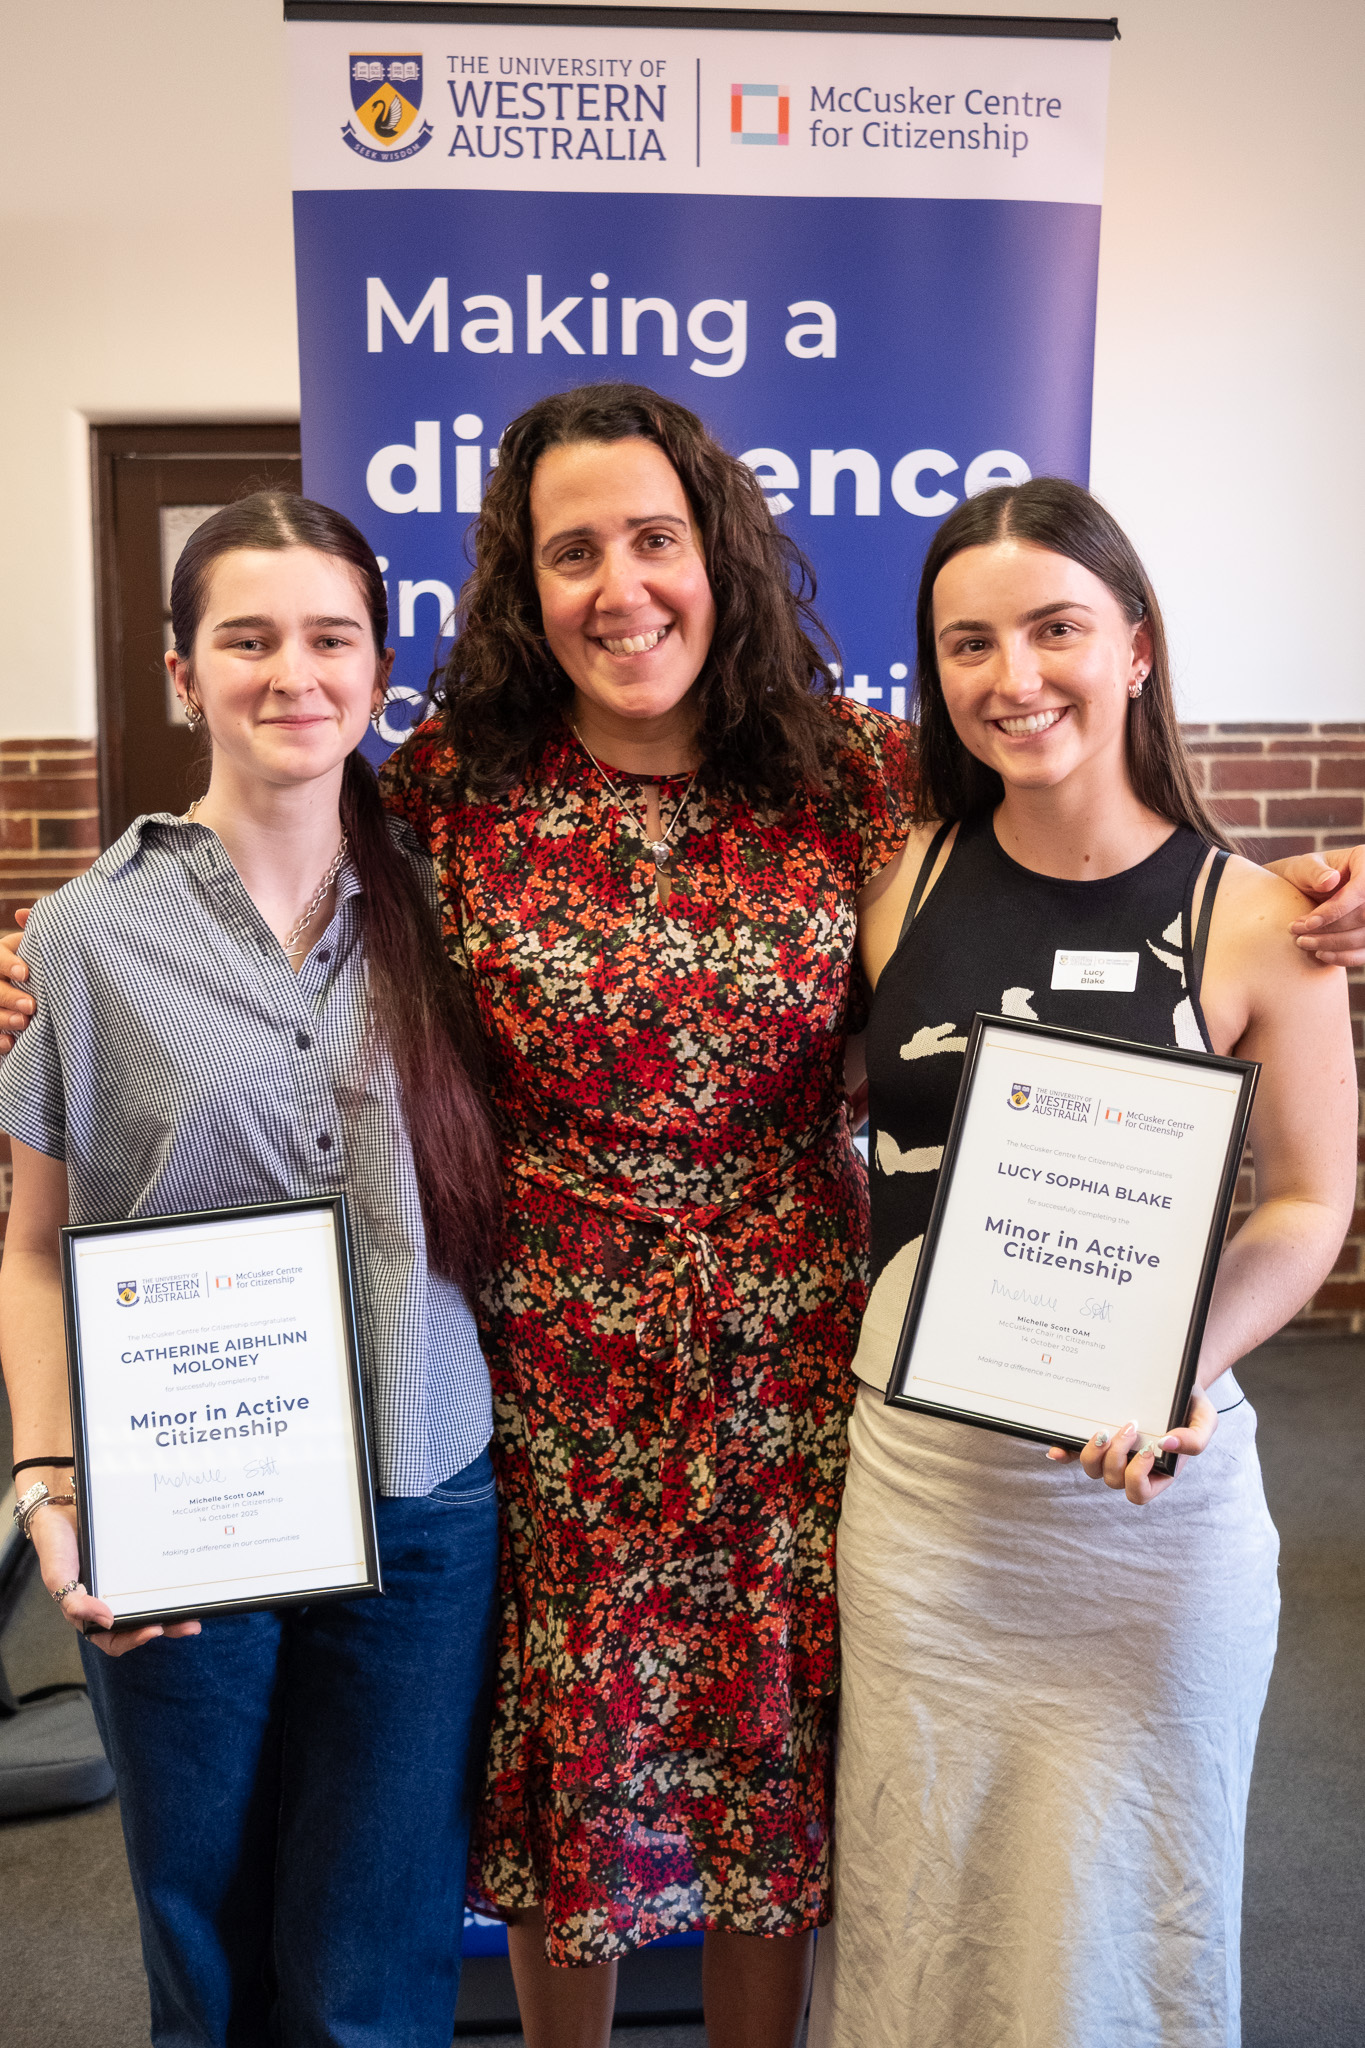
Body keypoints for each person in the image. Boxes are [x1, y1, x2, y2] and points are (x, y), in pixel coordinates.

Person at [2, 398, 1362, 2048]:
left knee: (768, 1788)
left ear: (715, 552)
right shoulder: (453, 788)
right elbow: (261, 870)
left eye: (655, 539)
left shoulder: (851, 779)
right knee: (569, 1776)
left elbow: (1070, 848)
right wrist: (55, 956)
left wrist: (1299, 892)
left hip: (795, 1357)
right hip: (545, 1358)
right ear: (526, 587)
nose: (620, 585)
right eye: (572, 551)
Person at [808, 477, 1357, 2048]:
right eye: (967, 643)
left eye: (1054, 629)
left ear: (1134, 646)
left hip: (1145, 1505)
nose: (1014, 676)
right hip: (925, 1504)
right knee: (920, 1896)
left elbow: (1305, 1204)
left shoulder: (1257, 917)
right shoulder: (892, 883)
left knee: (1133, 1905)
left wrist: (1170, 1366)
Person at [0, 493, 503, 2048]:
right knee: (203, 1956)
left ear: (379, 670)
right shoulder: (84, 938)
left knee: (377, 1964)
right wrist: (47, 1482)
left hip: (423, 1495)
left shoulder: (467, 911)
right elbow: (32, 1251)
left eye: (331, 638)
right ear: (182, 673)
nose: (294, 673)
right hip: (182, 1507)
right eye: (248, 638)